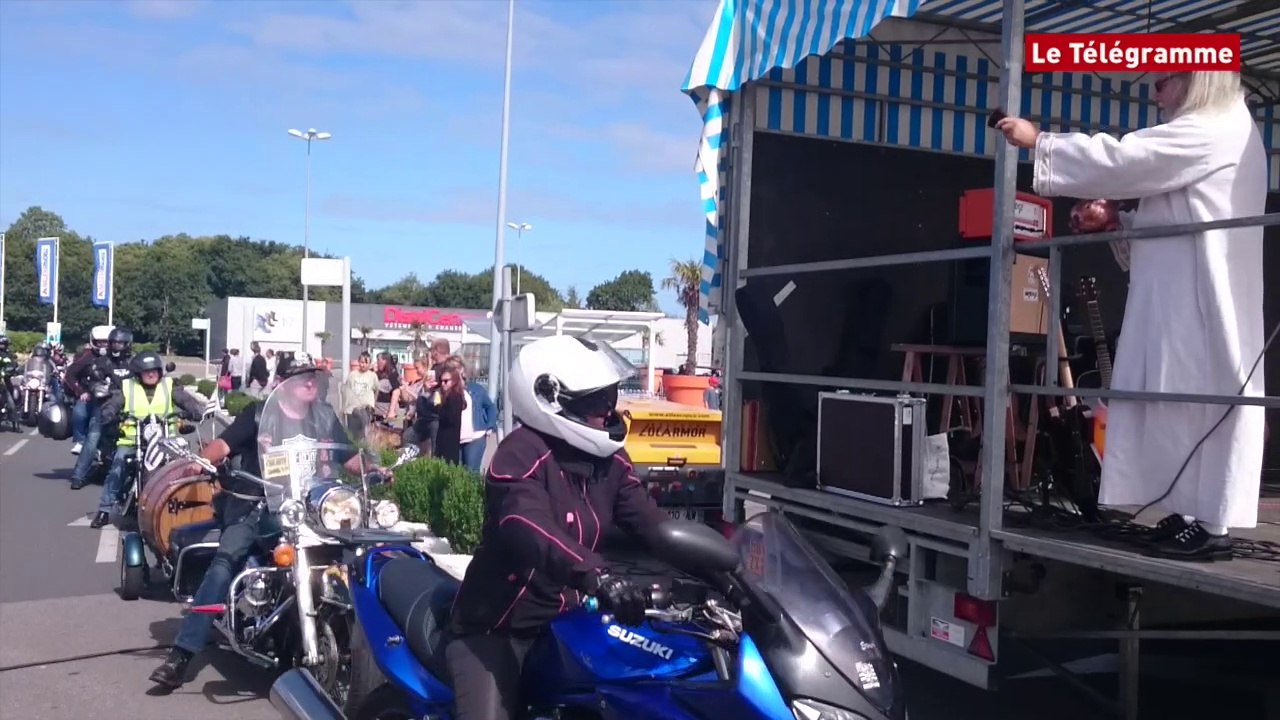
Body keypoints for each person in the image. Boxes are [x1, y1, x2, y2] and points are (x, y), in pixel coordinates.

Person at [996, 71, 1267, 560]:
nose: (1155, 91)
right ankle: (1190, 510)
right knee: (1175, 399)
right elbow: (1180, 213)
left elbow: (1128, 160)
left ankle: (1212, 523)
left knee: (1199, 399)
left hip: (1202, 299)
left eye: (1164, 81)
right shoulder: (1217, 127)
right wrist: (1121, 221)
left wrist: (1041, 141)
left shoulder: (1215, 126)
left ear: (1195, 79)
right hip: (1181, 296)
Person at [446, 335, 669, 720]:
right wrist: (597, 574)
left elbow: (654, 527)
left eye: (612, 398)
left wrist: (731, 573)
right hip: (499, 627)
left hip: (570, 622)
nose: (609, 412)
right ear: (550, 399)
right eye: (597, 401)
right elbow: (527, 524)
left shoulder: (611, 461)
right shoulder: (521, 453)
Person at [149, 353, 369, 690]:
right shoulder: (259, 414)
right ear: (284, 382)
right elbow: (223, 444)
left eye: (315, 377)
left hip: (308, 510)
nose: (311, 382)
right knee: (224, 564)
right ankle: (181, 655)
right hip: (256, 504)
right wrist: (201, 461)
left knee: (353, 558)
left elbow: (347, 456)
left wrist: (374, 468)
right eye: (302, 377)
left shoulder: (324, 417)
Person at [91, 351, 206, 528]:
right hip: (132, 440)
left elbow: (186, 400)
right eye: (146, 371)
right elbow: (113, 403)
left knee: (183, 467)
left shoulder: (170, 385)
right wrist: (109, 413)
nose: (151, 374)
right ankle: (104, 510)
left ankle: (184, 506)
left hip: (166, 442)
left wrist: (195, 410)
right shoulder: (127, 386)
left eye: (154, 370)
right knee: (119, 463)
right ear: (138, 373)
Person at [69, 328, 135, 490]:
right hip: (105, 405)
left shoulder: (134, 362)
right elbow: (92, 378)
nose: (117, 346)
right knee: (93, 437)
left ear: (127, 344)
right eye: (114, 343)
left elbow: (146, 376)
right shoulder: (103, 361)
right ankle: (78, 475)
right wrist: (97, 386)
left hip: (130, 405)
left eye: (120, 343)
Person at [451, 356, 497, 473]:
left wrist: (490, 425)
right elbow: (436, 405)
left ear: (462, 370)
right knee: (456, 473)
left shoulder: (476, 389)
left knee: (471, 472)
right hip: (455, 438)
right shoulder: (446, 389)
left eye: (456, 367)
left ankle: (474, 491)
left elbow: (490, 406)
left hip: (475, 437)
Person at [430, 360, 467, 464]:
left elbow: (449, 418)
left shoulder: (455, 396)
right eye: (441, 381)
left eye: (446, 381)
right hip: (442, 439)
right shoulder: (446, 395)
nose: (443, 384)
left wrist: (438, 404)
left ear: (454, 381)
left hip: (450, 442)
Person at [343, 352, 379, 436]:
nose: (363, 365)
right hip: (352, 410)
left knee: (365, 434)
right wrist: (346, 407)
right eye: (362, 362)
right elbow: (347, 390)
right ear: (358, 362)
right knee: (353, 435)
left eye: (366, 363)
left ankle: (364, 449)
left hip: (365, 410)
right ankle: (354, 449)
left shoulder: (372, 376)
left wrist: (373, 404)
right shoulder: (352, 375)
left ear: (370, 364)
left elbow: (376, 390)